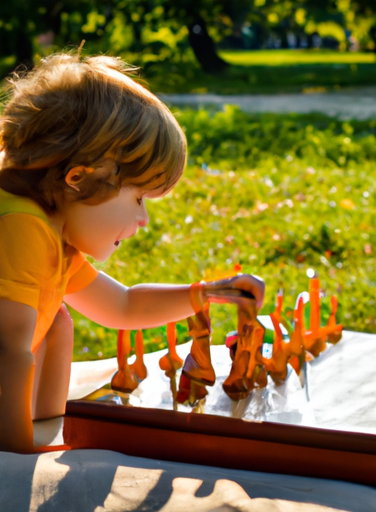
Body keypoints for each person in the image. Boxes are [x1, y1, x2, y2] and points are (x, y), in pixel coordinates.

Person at [0, 52, 264, 453]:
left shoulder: (52, 232)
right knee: (43, 325)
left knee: (56, 320)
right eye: (140, 198)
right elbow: (7, 353)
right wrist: (17, 459)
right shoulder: (22, 227)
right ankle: (24, 442)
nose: (144, 220)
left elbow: (122, 306)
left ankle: (47, 424)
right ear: (79, 178)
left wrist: (206, 294)